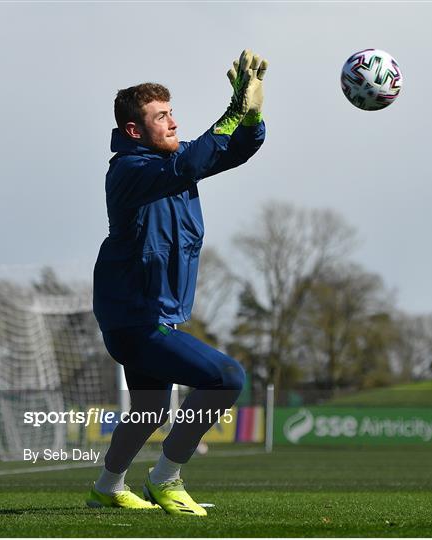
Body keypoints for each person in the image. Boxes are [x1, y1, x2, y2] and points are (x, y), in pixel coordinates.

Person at [87, 49, 268, 516]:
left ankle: (108, 485)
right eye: (160, 116)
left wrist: (251, 115)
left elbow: (232, 150)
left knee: (149, 408)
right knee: (226, 377)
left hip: (151, 314)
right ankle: (166, 478)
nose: (172, 122)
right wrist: (230, 112)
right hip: (135, 318)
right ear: (134, 131)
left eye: (172, 113)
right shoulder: (131, 170)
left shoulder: (174, 162)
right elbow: (188, 165)